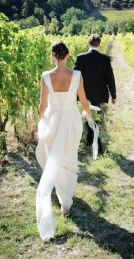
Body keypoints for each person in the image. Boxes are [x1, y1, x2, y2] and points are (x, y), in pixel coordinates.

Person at [35, 40, 92, 241]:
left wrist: (40, 120)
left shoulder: (45, 76)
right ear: (67, 55)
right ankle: (65, 204)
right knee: (68, 158)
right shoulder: (77, 75)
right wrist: (87, 113)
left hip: (53, 121)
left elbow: (42, 106)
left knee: (53, 157)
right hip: (71, 121)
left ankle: (62, 197)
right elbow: (84, 101)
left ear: (53, 56)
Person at [74, 34, 116, 154]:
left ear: (88, 43)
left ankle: (92, 139)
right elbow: (110, 78)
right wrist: (113, 95)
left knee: (89, 115)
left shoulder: (80, 58)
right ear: (99, 44)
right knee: (94, 116)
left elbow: (75, 77)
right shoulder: (105, 59)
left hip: (84, 93)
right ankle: (94, 140)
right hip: (99, 94)